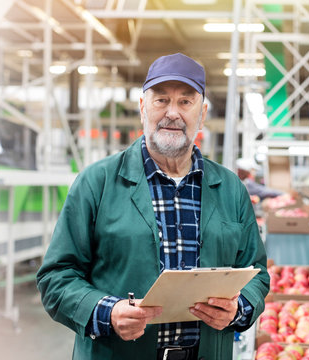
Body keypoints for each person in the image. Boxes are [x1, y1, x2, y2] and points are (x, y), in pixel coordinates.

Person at [37, 53, 270, 360]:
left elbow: (257, 274)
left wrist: (238, 309)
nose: (172, 113)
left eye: (186, 102)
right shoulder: (98, 182)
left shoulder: (230, 189)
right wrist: (107, 311)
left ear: (202, 114)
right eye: (161, 100)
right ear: (142, 108)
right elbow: (56, 277)